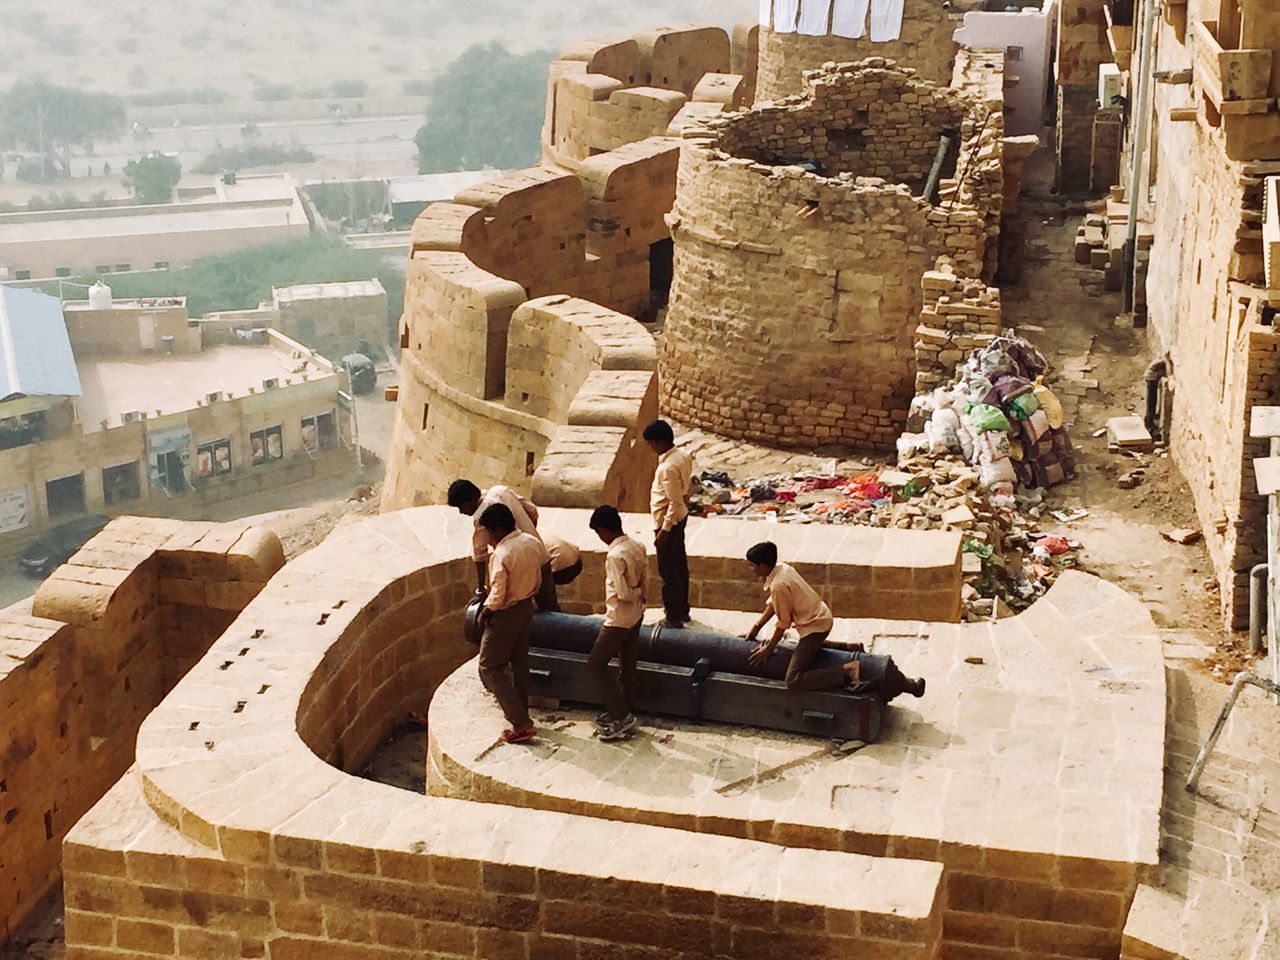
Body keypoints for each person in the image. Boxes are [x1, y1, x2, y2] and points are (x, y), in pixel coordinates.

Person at [743, 541, 926, 700]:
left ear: (764, 565)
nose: (750, 570)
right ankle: (849, 648)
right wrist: (756, 627)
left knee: (793, 680)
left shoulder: (778, 585)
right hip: (820, 617)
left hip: (814, 626)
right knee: (806, 647)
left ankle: (848, 670)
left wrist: (769, 649)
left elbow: (783, 622)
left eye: (752, 565)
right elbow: (774, 605)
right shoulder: (782, 568)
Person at [476, 503, 543, 744]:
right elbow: (538, 578)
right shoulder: (531, 542)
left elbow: (499, 592)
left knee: (490, 667)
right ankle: (521, 708)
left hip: (505, 613)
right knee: (519, 661)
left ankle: (521, 723)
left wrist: (487, 611)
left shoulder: (502, 554)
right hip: (526, 606)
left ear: (498, 529)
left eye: (489, 533)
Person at [447, 479, 558, 611]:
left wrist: (481, 586)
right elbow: (532, 511)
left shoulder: (481, 516)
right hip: (539, 555)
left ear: (471, 500)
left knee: (516, 612)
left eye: (462, 507)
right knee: (550, 609)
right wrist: (526, 535)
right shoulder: (500, 490)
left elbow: (479, 554)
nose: (461, 512)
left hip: (516, 569)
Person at [588, 505, 647, 742]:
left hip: (619, 617)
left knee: (595, 664)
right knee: (627, 664)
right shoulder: (637, 546)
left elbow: (621, 593)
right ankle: (625, 709)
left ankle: (620, 716)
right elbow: (645, 581)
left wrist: (631, 595)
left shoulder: (615, 556)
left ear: (603, 530)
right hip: (636, 614)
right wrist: (640, 597)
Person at [644, 420, 692, 627]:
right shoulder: (683, 456)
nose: (651, 448)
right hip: (679, 518)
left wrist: (664, 530)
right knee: (680, 566)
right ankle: (682, 610)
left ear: (661, 442)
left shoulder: (668, 468)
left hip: (668, 521)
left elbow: (674, 501)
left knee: (669, 571)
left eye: (652, 443)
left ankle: (673, 617)